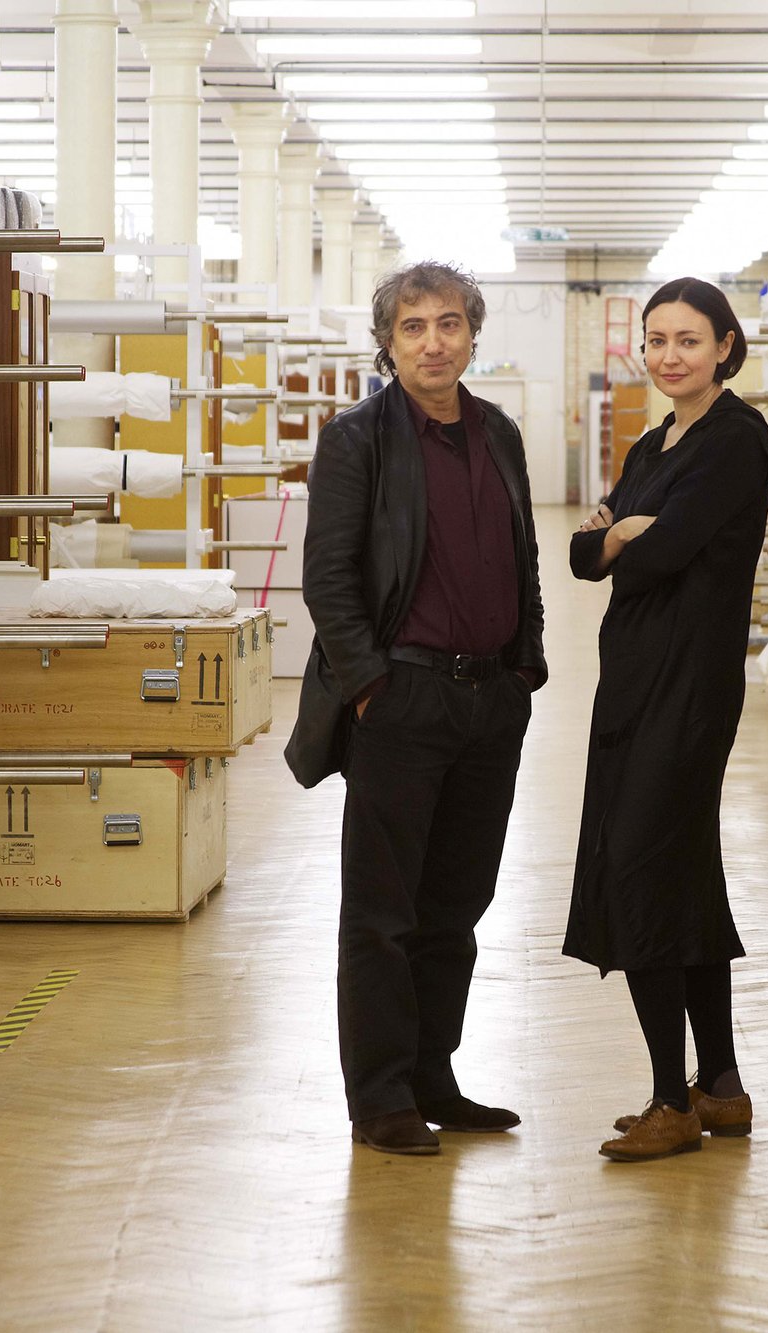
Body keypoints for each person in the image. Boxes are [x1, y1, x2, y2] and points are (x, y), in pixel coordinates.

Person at [286, 260, 548, 1156]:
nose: (433, 341)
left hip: (489, 702)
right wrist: (371, 687)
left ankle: (436, 1074)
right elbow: (327, 577)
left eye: (448, 323)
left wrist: (526, 671)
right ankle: (382, 1095)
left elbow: (525, 555)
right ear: (388, 342)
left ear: (473, 332)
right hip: (402, 697)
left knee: (456, 907)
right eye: (413, 326)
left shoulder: (500, 433)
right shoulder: (357, 438)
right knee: (383, 912)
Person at [564, 276, 768, 1163]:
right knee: (684, 873)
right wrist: (616, 535)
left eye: (688, 339)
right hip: (635, 680)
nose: (668, 355)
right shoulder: (655, 442)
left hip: (687, 684)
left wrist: (624, 540)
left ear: (725, 344)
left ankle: (667, 1100)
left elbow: (669, 549)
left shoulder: (735, 437)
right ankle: (719, 1085)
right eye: (655, 340)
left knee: (644, 867)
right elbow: (586, 555)